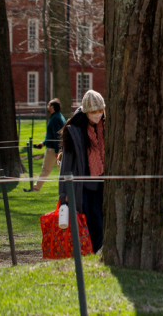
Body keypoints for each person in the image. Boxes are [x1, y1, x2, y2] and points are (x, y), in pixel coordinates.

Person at [58, 90, 106, 253]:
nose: (98, 115)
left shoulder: (104, 128)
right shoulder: (74, 131)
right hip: (83, 189)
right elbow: (66, 165)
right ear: (86, 112)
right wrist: (63, 195)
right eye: (93, 111)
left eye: (100, 110)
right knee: (88, 226)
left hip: (102, 187)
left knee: (100, 225)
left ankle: (94, 252)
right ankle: (89, 255)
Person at [31, 99, 66, 192]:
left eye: (48, 105)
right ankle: (70, 187)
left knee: (45, 170)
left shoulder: (55, 118)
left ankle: (35, 188)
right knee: (63, 170)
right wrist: (43, 143)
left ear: (52, 107)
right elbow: (51, 135)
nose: (47, 106)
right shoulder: (59, 116)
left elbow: (57, 135)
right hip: (56, 148)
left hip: (53, 150)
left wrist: (57, 150)